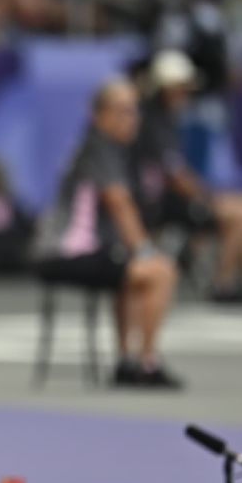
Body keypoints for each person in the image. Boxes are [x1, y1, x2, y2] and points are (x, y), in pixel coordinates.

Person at [35, 77, 183, 389]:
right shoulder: (100, 147)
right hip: (68, 252)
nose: (129, 119)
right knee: (160, 272)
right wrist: (145, 251)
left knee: (132, 273)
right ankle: (147, 363)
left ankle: (127, 362)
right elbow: (118, 202)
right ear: (98, 114)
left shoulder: (112, 148)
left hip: (78, 250)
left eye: (133, 111)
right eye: (120, 111)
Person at [135, 51, 242, 304]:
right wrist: (207, 198)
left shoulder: (166, 120)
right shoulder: (154, 123)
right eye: (181, 88)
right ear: (166, 89)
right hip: (160, 205)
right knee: (238, 215)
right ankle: (223, 284)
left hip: (172, 199)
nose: (186, 94)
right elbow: (175, 177)